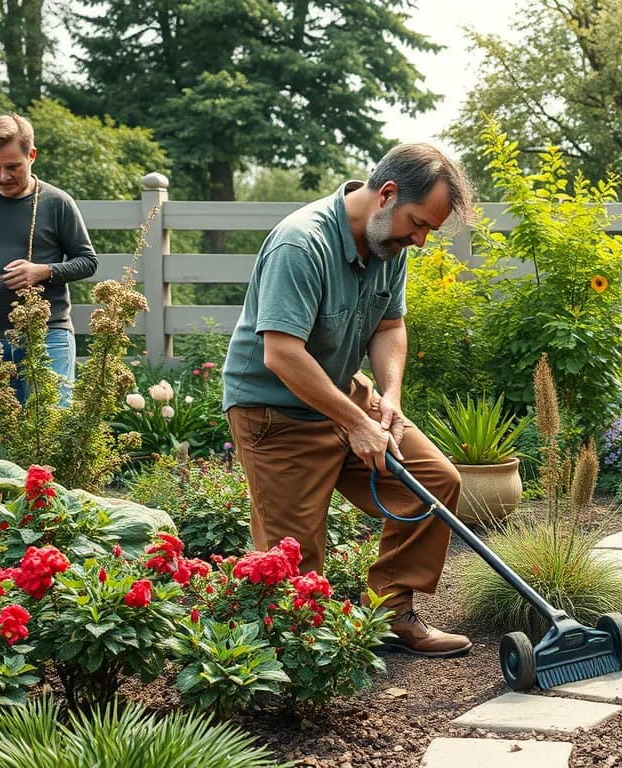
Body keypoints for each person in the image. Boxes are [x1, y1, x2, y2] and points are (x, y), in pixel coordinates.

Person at [223, 143, 476, 657]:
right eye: (419, 223)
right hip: (276, 413)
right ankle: (286, 661)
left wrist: (389, 395)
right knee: (295, 559)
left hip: (342, 393)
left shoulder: (389, 245)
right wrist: (357, 424)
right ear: (386, 195)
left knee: (432, 483)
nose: (422, 240)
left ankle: (391, 614)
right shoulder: (302, 243)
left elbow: (390, 326)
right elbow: (281, 354)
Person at [0, 113, 98, 406]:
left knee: (50, 432)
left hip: (48, 336)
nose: (3, 176)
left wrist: (42, 271)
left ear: (32, 155)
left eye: (13, 166)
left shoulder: (56, 202)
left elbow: (87, 261)